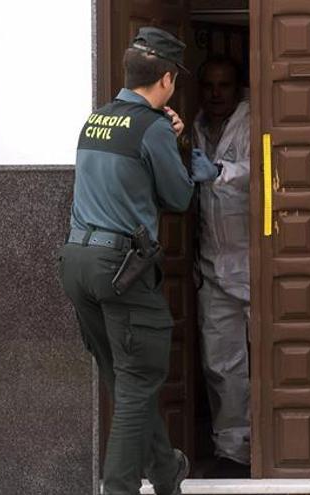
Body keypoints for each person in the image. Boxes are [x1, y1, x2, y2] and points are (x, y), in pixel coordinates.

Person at [57, 27, 220, 495]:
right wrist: (180, 147)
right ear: (167, 80)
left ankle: (166, 471)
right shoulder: (151, 129)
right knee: (138, 382)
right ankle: (121, 489)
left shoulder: (96, 120)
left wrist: (167, 140)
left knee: (125, 378)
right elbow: (177, 196)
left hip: (76, 262)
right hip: (120, 269)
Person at [191, 55, 252, 477]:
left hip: (256, 262)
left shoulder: (254, 121)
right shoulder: (192, 127)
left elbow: (268, 168)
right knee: (221, 363)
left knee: (273, 359)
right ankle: (233, 451)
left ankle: (281, 444)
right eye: (209, 86)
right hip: (211, 264)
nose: (216, 94)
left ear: (237, 88)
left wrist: (220, 170)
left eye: (224, 86)